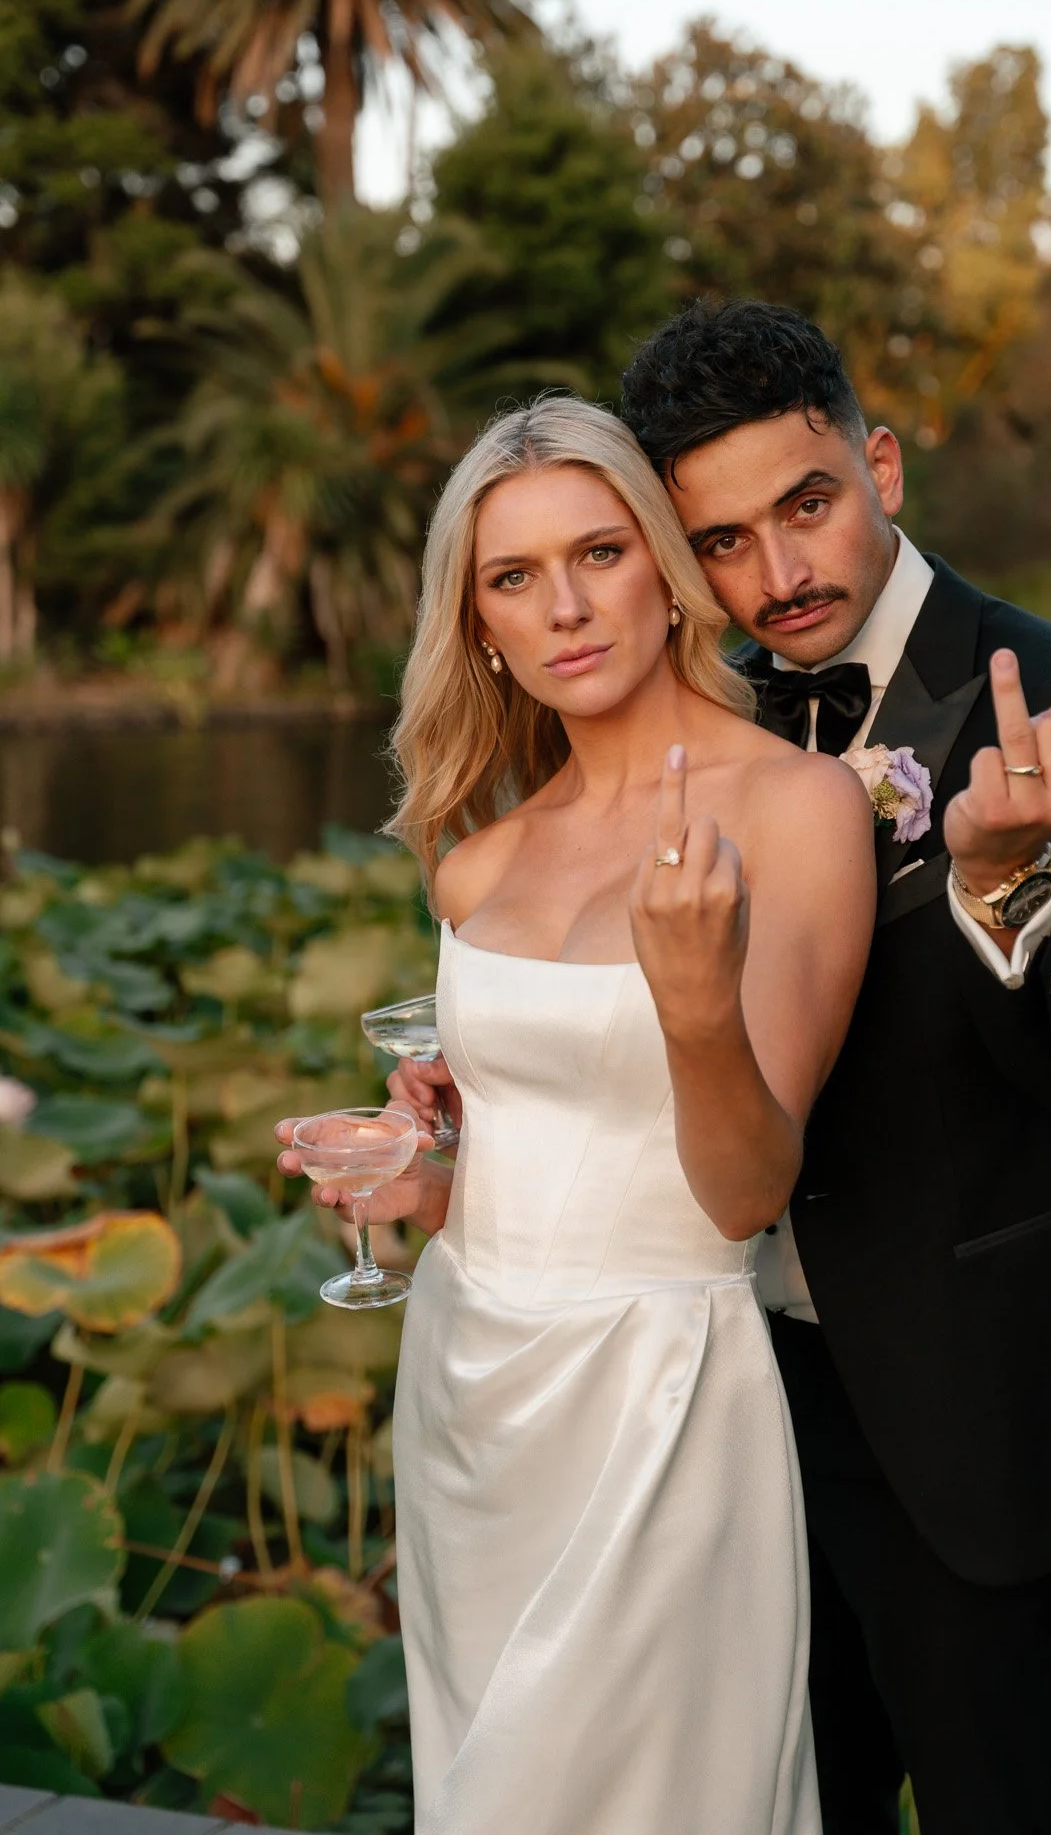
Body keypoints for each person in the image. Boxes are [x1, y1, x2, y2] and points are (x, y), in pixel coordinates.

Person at [613, 301, 1051, 1835]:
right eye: (727, 542)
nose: (780, 575)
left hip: (975, 1406)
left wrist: (1006, 880)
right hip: (729, 1405)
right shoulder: (697, 718)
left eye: (807, 505)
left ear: (878, 462)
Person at [278, 397, 875, 1835]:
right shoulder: (476, 869)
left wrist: (692, 1004)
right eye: (513, 577)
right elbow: (516, 1149)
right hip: (471, 1394)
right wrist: (413, 1180)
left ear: (663, 570)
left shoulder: (799, 812)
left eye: (599, 552)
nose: (565, 607)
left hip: (658, 1397)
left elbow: (746, 1193)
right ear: (475, 621)